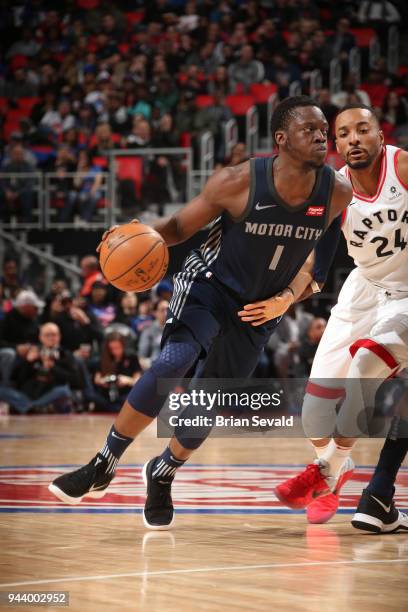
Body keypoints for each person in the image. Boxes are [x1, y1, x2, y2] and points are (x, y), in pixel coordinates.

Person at [48, 96, 352, 529]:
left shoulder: (336, 192)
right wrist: (138, 234)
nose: (322, 135)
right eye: (310, 129)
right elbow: (177, 228)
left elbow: (315, 271)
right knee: (174, 362)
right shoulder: (237, 181)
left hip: (262, 306)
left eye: (324, 128)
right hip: (209, 285)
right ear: (281, 139)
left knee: (209, 401)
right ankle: (104, 463)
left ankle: (163, 471)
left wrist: (286, 297)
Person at [275, 104, 408, 532]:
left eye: (362, 130)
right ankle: (337, 466)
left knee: (366, 365)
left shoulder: (402, 167)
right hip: (365, 287)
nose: (353, 139)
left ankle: (324, 473)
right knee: (313, 414)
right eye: (344, 133)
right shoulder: (333, 189)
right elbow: (315, 256)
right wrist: (288, 294)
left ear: (380, 137)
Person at [0, 322, 81, 414]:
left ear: (59, 337)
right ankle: (33, 407)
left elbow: (76, 380)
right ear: (40, 337)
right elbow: (16, 380)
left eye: (54, 335)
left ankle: (28, 407)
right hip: (27, 393)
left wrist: (53, 367)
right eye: (47, 335)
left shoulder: (65, 355)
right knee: (3, 390)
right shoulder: (31, 352)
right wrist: (28, 362)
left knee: (63, 391)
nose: (51, 338)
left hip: (49, 394)